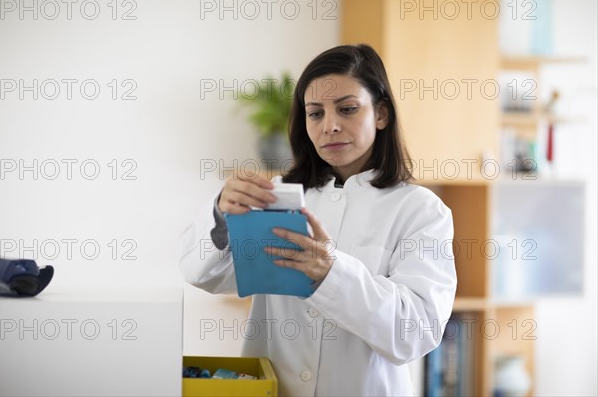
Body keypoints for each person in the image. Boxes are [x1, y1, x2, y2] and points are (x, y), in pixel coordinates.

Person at [178, 44, 456, 396]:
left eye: (347, 109)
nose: (331, 126)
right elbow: (202, 275)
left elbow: (414, 333)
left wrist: (331, 271)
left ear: (381, 114)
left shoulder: (419, 210)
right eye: (316, 113)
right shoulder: (276, 196)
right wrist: (220, 213)